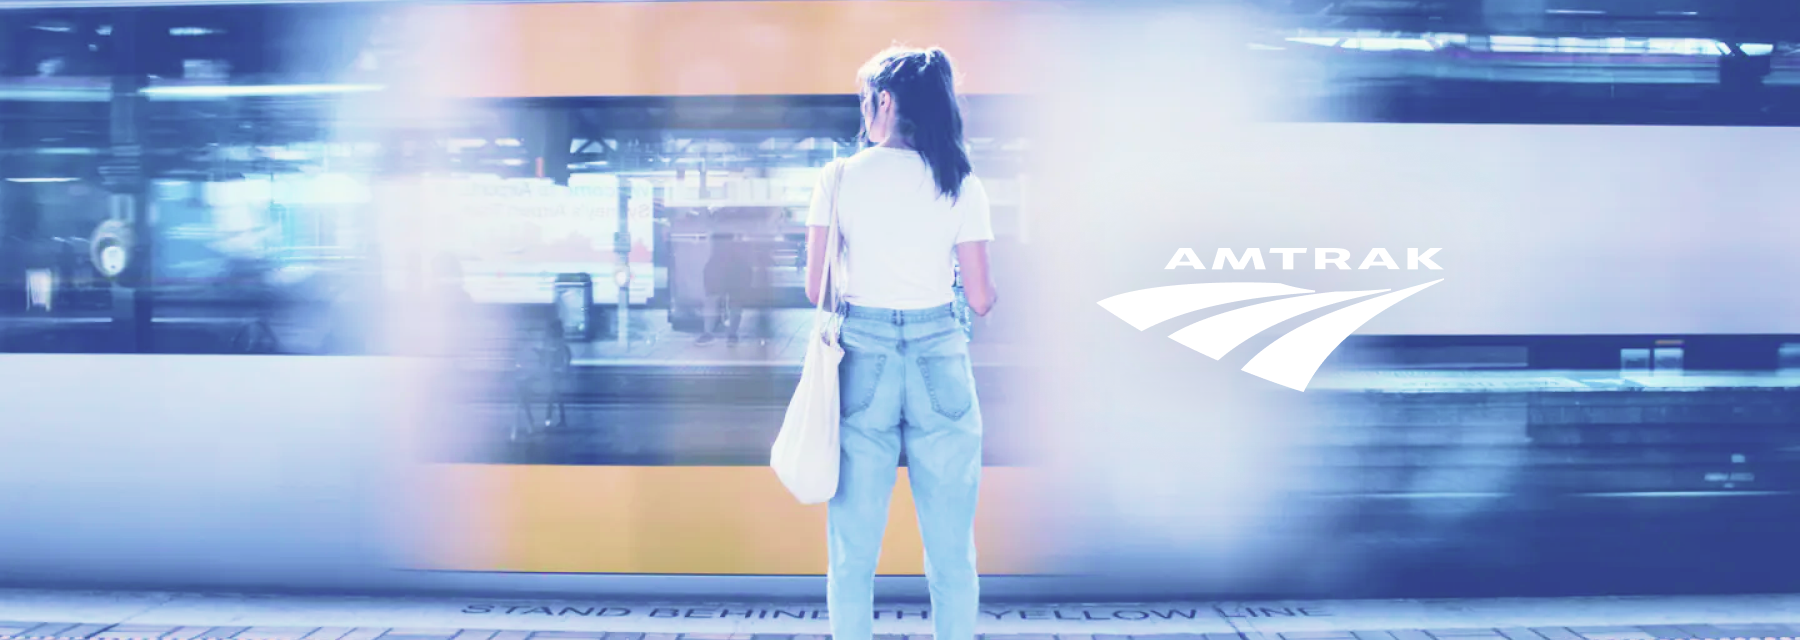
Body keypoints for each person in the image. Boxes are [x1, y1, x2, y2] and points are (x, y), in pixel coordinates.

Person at [804, 46, 997, 640]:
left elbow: (816, 289)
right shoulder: (961, 181)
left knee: (853, 550)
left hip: (863, 359)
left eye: (865, 100)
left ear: (884, 102)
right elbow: (982, 298)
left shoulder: (839, 178)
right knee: (951, 549)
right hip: (941, 354)